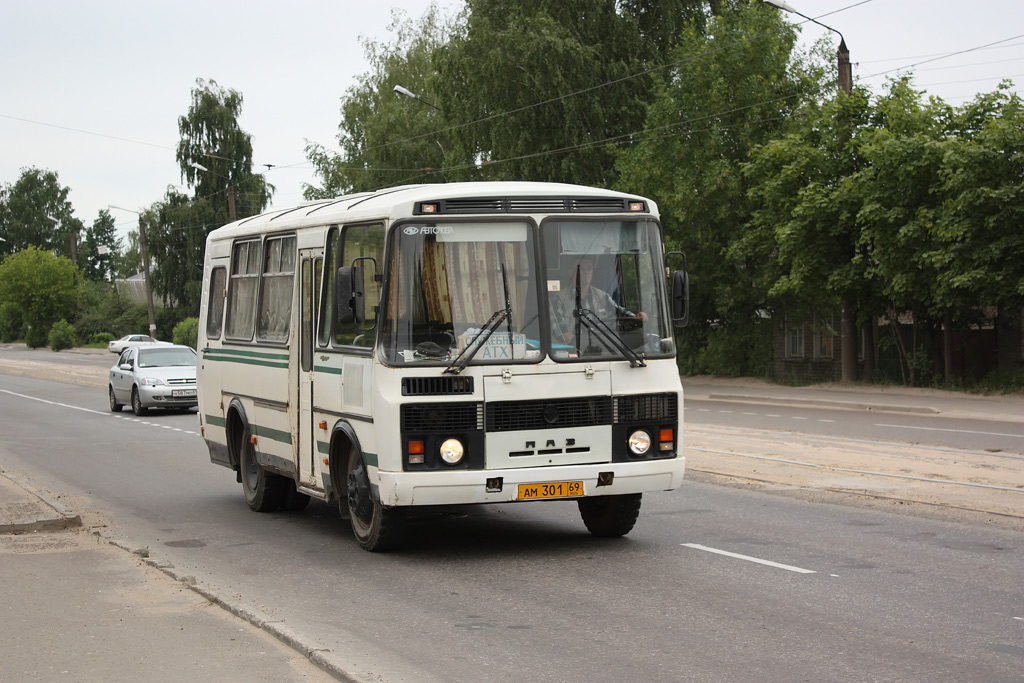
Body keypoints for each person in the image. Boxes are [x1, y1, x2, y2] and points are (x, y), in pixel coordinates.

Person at [550, 255, 646, 346]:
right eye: (581, 268)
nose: (586, 272)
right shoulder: (558, 299)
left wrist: (636, 317)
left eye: (589, 268)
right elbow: (564, 336)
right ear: (570, 272)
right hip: (572, 357)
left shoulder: (603, 297)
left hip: (602, 352)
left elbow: (619, 312)